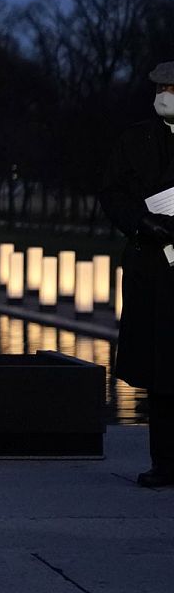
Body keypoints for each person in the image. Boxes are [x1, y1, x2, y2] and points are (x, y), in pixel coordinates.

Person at [99, 60, 174, 488]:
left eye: (172, 87)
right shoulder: (137, 139)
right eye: (161, 85)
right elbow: (113, 193)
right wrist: (142, 222)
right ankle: (164, 460)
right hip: (152, 265)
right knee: (161, 370)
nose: (164, 92)